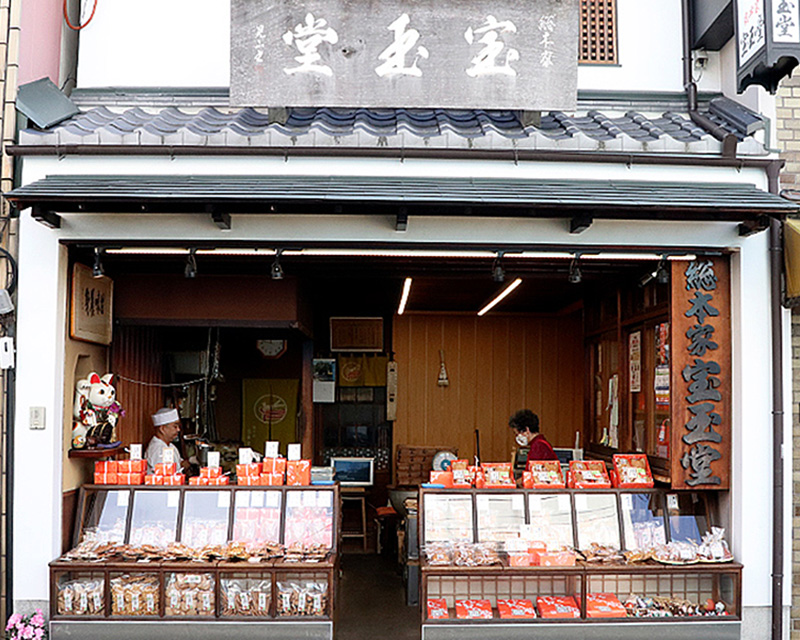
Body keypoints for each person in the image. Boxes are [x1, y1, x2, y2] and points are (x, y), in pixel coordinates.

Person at [145, 407, 190, 474]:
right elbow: (164, 475)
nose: (178, 430)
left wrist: (191, 460)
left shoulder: (170, 445)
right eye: (175, 426)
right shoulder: (157, 449)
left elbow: (179, 464)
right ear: (162, 429)